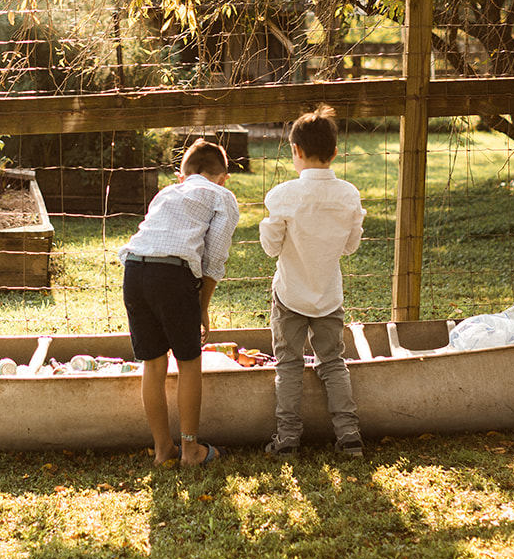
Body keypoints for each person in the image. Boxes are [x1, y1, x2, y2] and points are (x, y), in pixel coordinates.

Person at [119, 138, 238, 467]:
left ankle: (162, 450)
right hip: (172, 275)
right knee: (188, 363)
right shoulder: (221, 196)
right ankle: (190, 450)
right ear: (223, 177)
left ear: (181, 175)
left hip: (134, 271)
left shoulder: (166, 193)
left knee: (153, 364)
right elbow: (214, 259)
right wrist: (202, 308)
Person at [259, 105, 367, 457]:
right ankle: (349, 434)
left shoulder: (283, 196)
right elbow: (350, 246)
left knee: (289, 365)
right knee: (333, 362)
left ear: (296, 151)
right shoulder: (349, 195)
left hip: (290, 295)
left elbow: (271, 247)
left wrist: (271, 225)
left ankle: (288, 437)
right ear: (335, 152)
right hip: (329, 297)